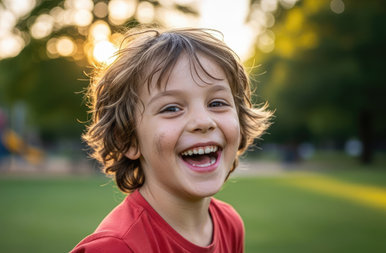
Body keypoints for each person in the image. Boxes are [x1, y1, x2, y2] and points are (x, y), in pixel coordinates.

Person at [71, 27, 272, 253]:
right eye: (172, 108)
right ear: (128, 140)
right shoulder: (115, 247)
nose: (203, 122)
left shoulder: (230, 224)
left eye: (216, 103)